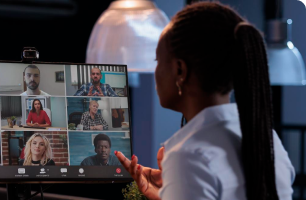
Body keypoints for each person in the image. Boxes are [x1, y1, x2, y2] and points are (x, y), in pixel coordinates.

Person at [114, 2, 295, 200]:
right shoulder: (268, 140)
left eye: (157, 61)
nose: (155, 73)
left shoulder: (189, 156)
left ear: (180, 71)